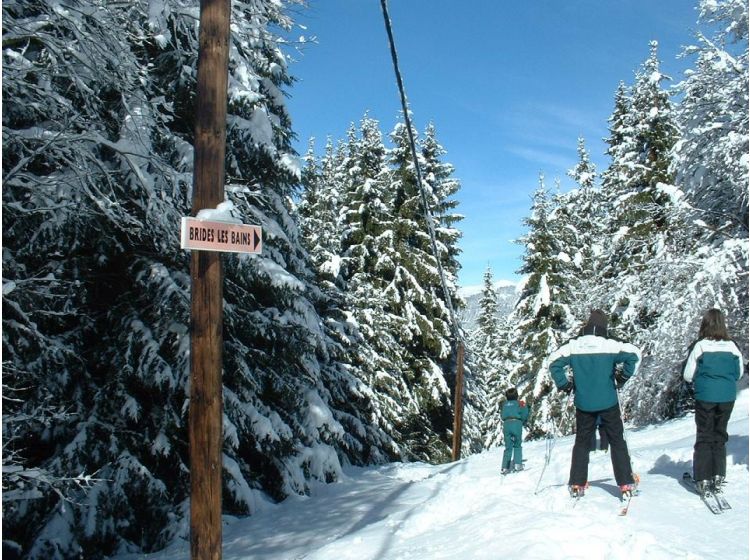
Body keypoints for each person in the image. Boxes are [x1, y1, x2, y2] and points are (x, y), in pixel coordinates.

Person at [548, 310, 641, 497]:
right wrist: (622, 378)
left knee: (582, 442)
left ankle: (577, 483)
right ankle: (625, 483)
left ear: (587, 325)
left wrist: (565, 385)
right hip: (608, 400)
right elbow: (635, 354)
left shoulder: (574, 345)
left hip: (583, 403)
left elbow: (553, 362)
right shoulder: (610, 344)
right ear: (604, 327)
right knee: (617, 441)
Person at [683, 308, 744, 495]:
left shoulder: (700, 346)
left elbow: (687, 375)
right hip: (727, 397)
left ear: (705, 324)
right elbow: (739, 373)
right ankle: (718, 474)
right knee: (719, 434)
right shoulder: (732, 346)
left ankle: (702, 477)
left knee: (704, 435)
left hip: (706, 396)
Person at [500, 387, 529, 474]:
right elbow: (525, 412)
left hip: (506, 424)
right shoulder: (520, 403)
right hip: (516, 423)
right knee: (517, 444)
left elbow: (502, 415)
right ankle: (518, 464)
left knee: (508, 446)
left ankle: (505, 467)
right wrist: (522, 421)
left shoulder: (504, 404)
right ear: (516, 395)